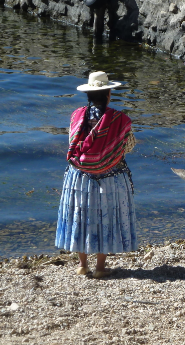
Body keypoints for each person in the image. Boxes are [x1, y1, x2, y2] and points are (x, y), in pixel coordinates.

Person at [55, 71, 137, 278]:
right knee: (104, 217)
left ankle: (82, 265)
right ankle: (100, 267)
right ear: (109, 95)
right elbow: (128, 146)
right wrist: (107, 154)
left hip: (79, 175)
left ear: (89, 96)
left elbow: (73, 144)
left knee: (81, 215)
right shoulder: (120, 120)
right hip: (109, 177)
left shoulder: (76, 116)